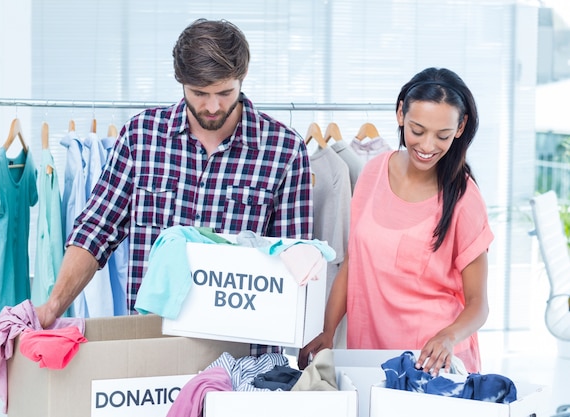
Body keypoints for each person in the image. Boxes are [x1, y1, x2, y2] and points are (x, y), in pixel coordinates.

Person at [35, 18, 314, 356]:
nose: (212, 107)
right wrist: (53, 307)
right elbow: (95, 230)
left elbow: (293, 265)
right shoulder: (141, 138)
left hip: (241, 356)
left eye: (225, 93)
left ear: (242, 79)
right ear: (181, 82)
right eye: (200, 94)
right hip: (153, 349)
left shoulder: (284, 150)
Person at [298, 67, 493, 374]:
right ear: (401, 113)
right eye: (417, 130)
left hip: (432, 362)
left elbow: (478, 304)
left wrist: (447, 336)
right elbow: (353, 263)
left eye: (442, 135)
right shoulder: (373, 172)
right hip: (369, 358)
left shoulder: (464, 198)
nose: (428, 146)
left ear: (460, 127)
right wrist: (327, 330)